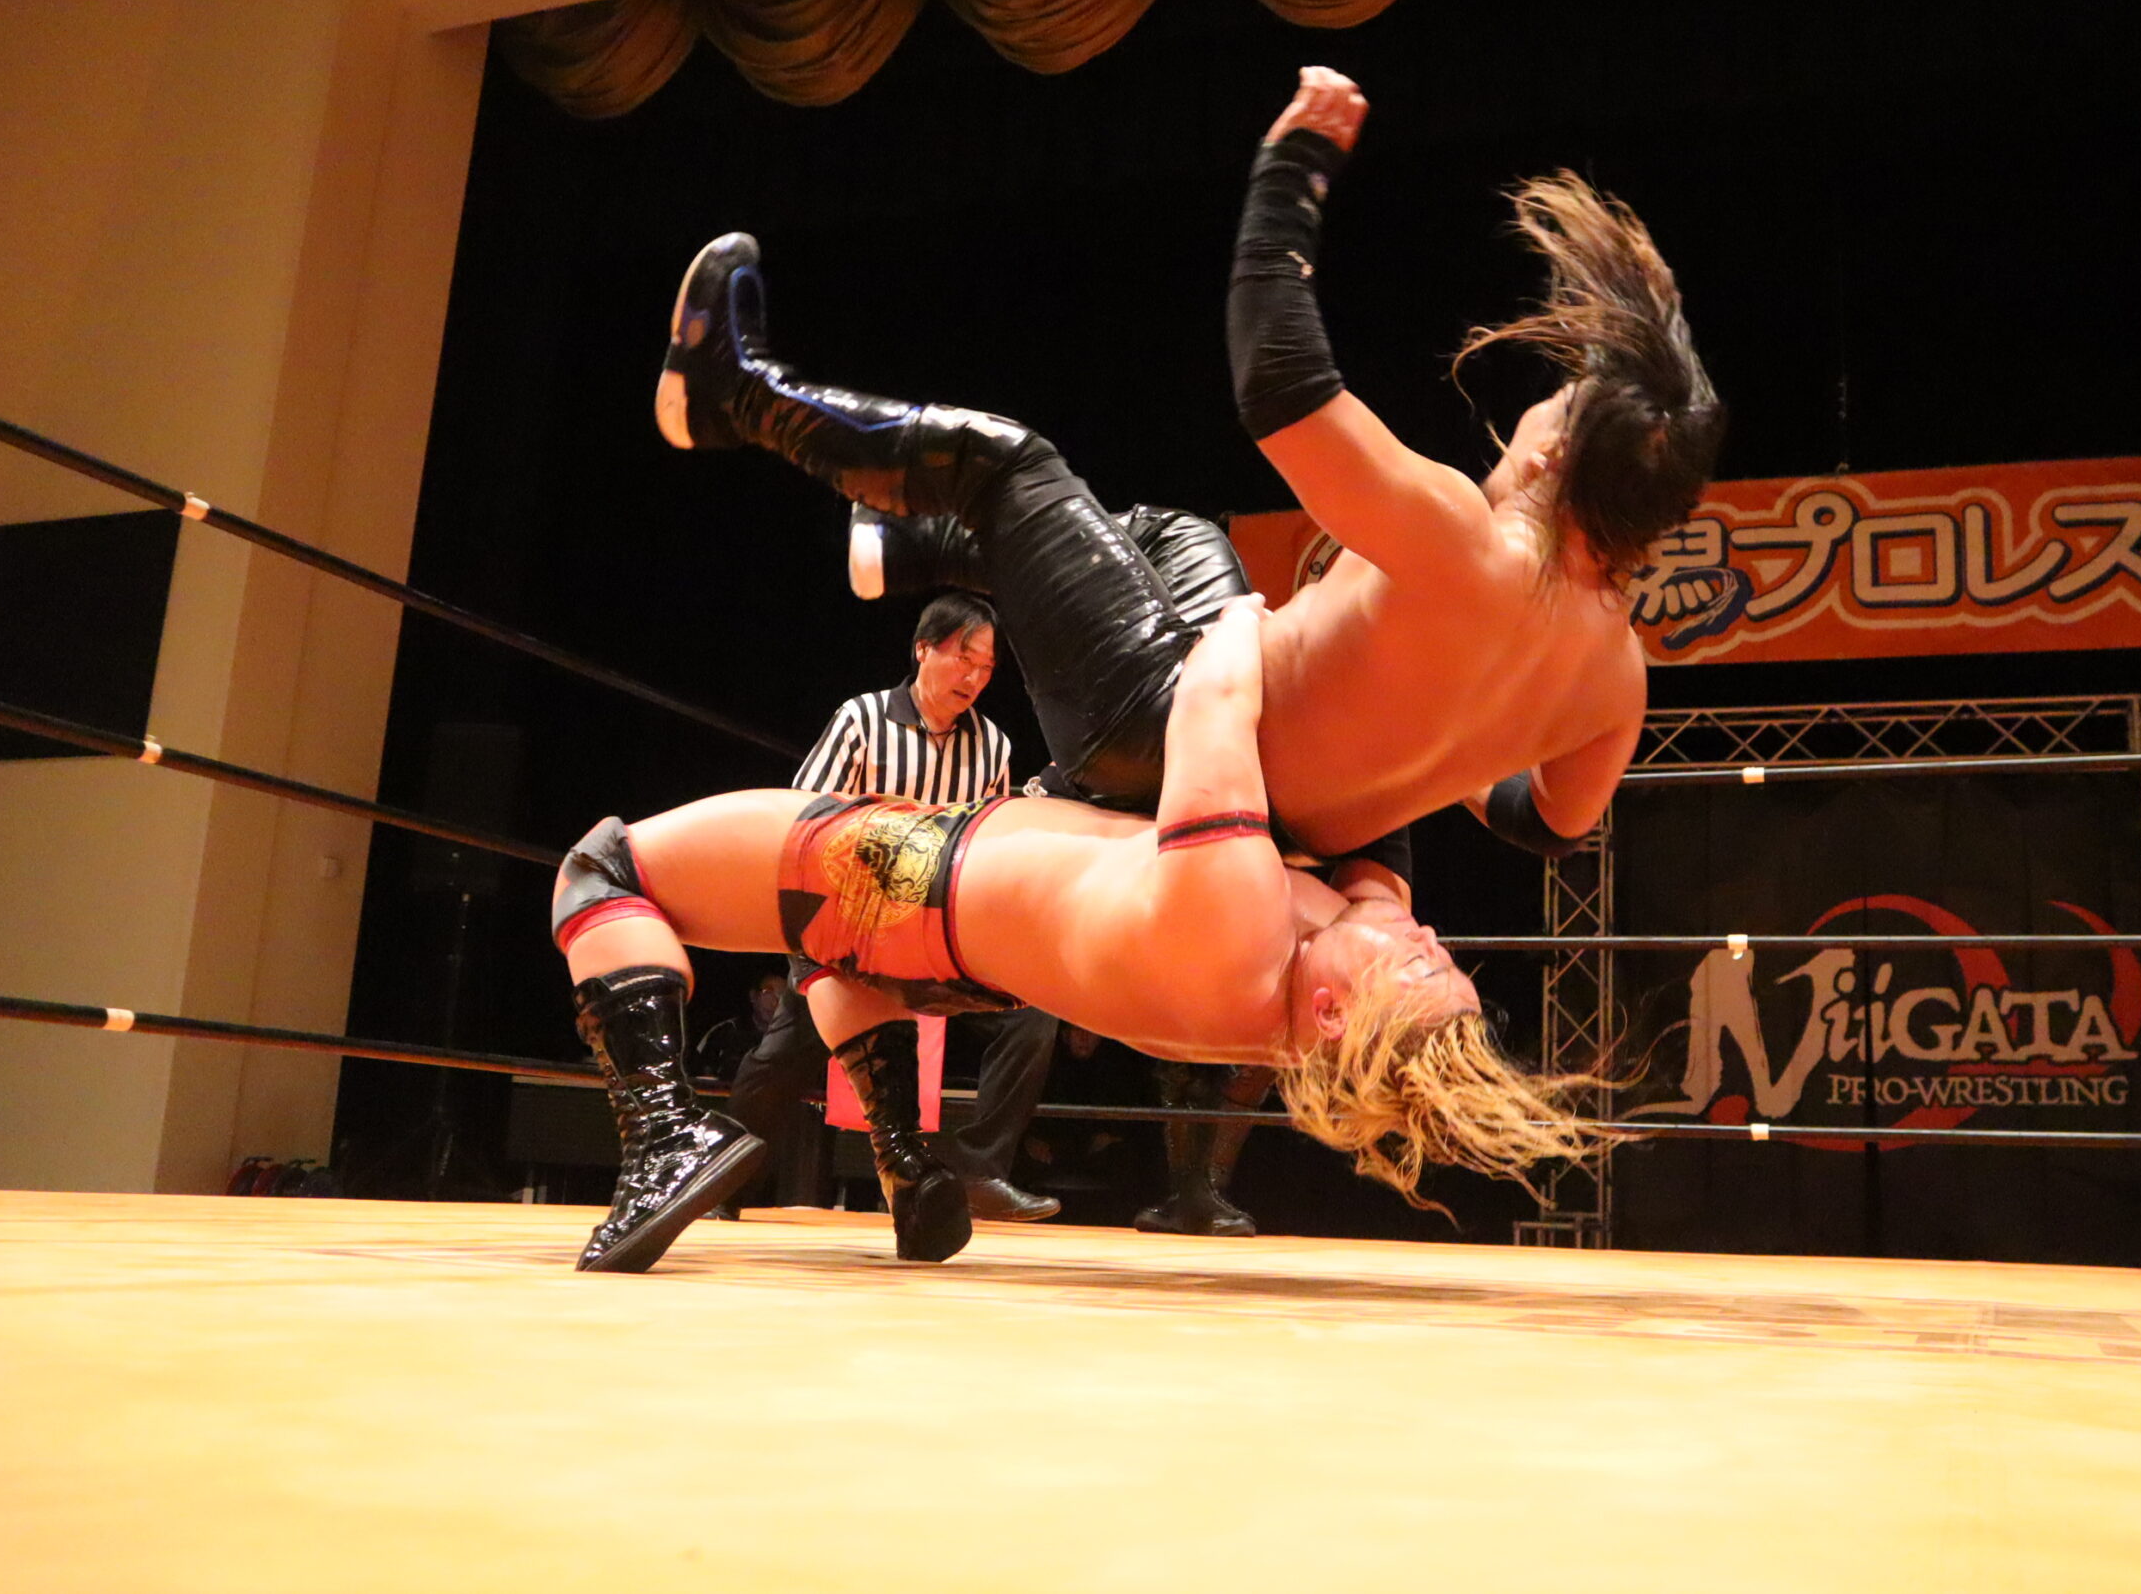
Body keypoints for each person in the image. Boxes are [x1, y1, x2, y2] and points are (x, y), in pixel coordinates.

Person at [652, 63, 1720, 871]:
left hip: (1174, 733)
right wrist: (1447, 754)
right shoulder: (1612, 684)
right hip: (1263, 783)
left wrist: (1293, 172)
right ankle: (911, 550)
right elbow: (1549, 826)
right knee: (1176, 533)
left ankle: (733, 401)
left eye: (1554, 401)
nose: (1533, 412)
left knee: (1006, 465)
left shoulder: (1464, 539)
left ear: (1555, 449)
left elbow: (1280, 386)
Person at [552, 598, 1603, 1274]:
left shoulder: (1239, 933)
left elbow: (1213, 705)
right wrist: (1463, 757)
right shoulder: (1313, 969)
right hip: (959, 945)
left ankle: (662, 1136)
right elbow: (1381, 839)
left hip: (917, 870)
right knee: (836, 956)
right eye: (1441, 955)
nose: (1429, 937)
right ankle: (912, 1171)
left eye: (1419, 965)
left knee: (605, 868)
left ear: (1336, 1015)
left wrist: (1254, 618)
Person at [724, 592, 1063, 1222]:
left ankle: (980, 1169)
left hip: (934, 935)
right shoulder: (862, 719)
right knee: (786, 1056)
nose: (974, 677)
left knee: (1031, 1013)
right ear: (923, 650)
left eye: (987, 667)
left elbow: (983, 846)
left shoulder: (992, 744)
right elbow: (802, 819)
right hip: (845, 924)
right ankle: (722, 1180)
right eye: (963, 658)